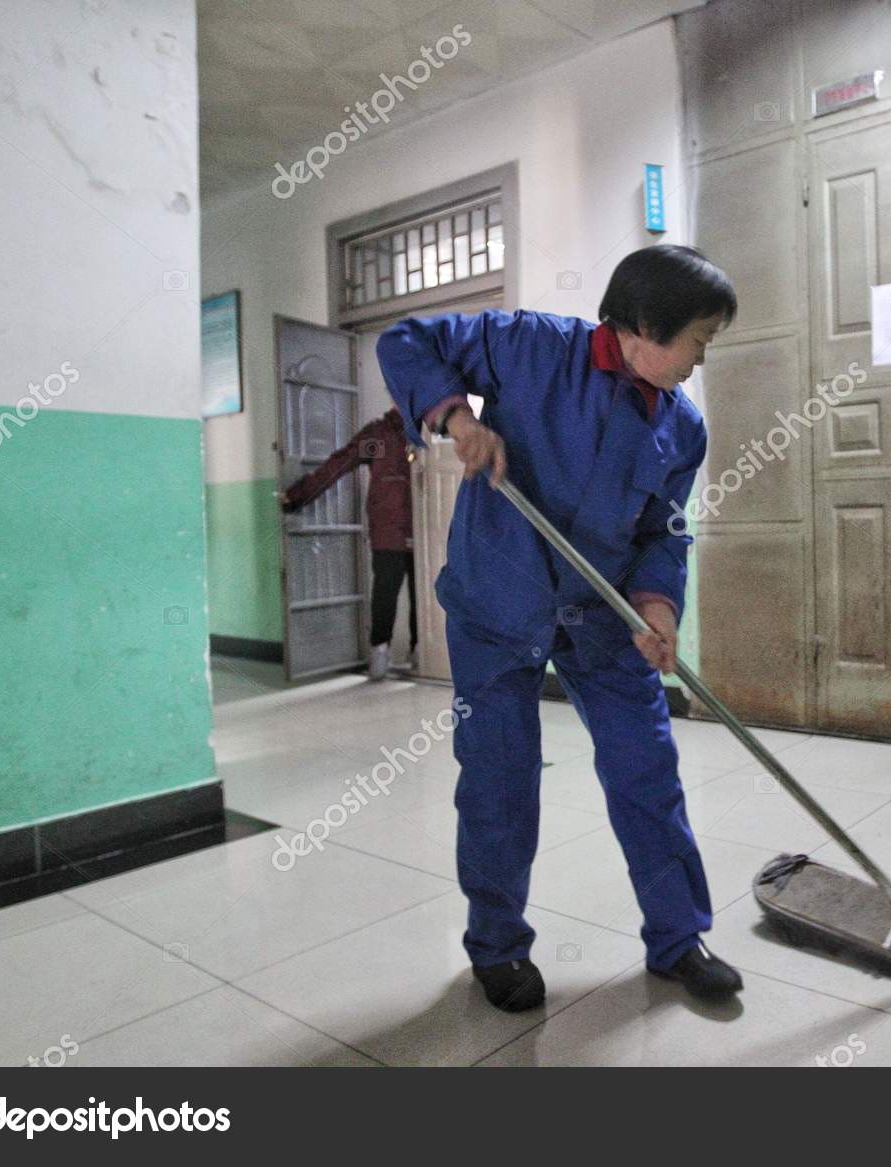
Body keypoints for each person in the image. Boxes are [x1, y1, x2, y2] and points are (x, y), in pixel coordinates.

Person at [376, 244, 739, 1011]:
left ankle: (679, 938)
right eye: (697, 341)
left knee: (648, 769)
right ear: (645, 325)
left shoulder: (684, 428)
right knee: (500, 778)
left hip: (601, 616)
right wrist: (451, 415)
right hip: (496, 604)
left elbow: (664, 534)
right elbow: (407, 339)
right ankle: (497, 946)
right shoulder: (532, 346)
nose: (699, 360)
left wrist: (658, 608)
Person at [281, 407, 416, 680]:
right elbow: (340, 464)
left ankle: (419, 654)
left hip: (428, 531)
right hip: (390, 531)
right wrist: (298, 495)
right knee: (385, 593)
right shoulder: (381, 437)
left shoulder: (433, 429)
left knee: (427, 596)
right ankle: (380, 653)